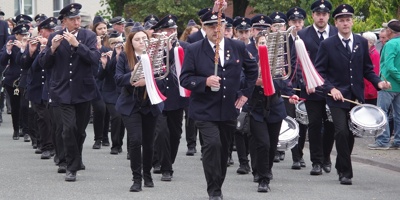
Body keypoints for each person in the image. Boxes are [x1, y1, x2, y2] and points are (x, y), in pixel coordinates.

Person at [180, 9, 258, 199]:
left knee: (223, 150)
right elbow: (184, 79)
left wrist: (245, 93)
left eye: (219, 25)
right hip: (205, 109)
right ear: (203, 27)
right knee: (212, 145)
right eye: (210, 26)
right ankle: (213, 190)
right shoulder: (194, 49)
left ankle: (218, 184)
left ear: (224, 26)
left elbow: (252, 69)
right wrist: (204, 82)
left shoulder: (237, 46)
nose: (216, 29)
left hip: (228, 108)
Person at [313, 4, 391, 185]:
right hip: (336, 97)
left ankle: (341, 165)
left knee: (349, 135)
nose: (345, 23)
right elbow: (319, 73)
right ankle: (346, 173)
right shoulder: (327, 44)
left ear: (352, 22)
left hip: (355, 96)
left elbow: (367, 69)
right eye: (341, 20)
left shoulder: (361, 42)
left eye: (348, 20)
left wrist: (378, 82)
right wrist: (331, 88)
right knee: (341, 131)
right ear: (336, 23)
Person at [39, 3, 101, 182]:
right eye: (73, 19)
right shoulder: (55, 37)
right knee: (68, 129)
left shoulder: (88, 36)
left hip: (83, 90)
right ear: (64, 21)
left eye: (78, 18)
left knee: (80, 131)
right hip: (63, 91)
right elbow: (44, 63)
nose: (77, 22)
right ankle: (71, 167)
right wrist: (52, 49)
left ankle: (76, 157)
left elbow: (94, 59)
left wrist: (77, 45)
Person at [114, 23, 165, 192]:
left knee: (149, 142)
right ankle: (136, 179)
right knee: (135, 140)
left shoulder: (156, 55)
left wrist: (149, 80)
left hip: (150, 104)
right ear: (131, 42)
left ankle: (147, 174)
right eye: (137, 39)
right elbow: (118, 79)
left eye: (144, 38)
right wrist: (133, 75)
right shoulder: (124, 57)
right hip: (131, 105)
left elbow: (165, 78)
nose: (142, 41)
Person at [247, 32, 299, 192]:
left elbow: (284, 82)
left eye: (267, 43)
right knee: (262, 143)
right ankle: (263, 179)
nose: (264, 45)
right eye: (261, 42)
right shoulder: (250, 62)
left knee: (271, 145)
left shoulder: (277, 63)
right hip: (256, 108)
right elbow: (241, 81)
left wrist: (291, 95)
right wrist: (254, 81)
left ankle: (266, 171)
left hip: (275, 108)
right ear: (256, 45)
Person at [291, 0, 337, 175]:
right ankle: (316, 162)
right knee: (315, 124)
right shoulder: (303, 34)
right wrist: (304, 82)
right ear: (313, 16)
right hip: (311, 87)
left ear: (328, 16)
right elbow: (297, 61)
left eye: (324, 14)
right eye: (318, 14)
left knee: (331, 124)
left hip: (332, 87)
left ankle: (326, 157)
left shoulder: (336, 32)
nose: (321, 17)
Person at [151, 14, 190, 182]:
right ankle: (166, 167)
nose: (172, 32)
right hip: (158, 96)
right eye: (168, 30)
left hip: (176, 97)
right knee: (160, 132)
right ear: (160, 32)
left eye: (174, 29)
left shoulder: (185, 48)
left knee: (175, 134)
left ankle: (167, 161)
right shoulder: (153, 49)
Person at [20, 16, 58, 159]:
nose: (52, 32)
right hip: (36, 87)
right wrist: (31, 51)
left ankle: (53, 145)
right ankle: (46, 146)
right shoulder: (34, 44)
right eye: (49, 30)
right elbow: (24, 64)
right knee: (42, 117)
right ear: (41, 32)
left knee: (52, 118)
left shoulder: (56, 44)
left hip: (51, 87)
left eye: (54, 29)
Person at [368, 19, 400, 150]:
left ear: (390, 31)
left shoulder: (391, 44)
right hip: (398, 86)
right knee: (398, 114)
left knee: (382, 112)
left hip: (388, 84)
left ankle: (383, 140)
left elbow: (389, 66)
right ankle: (398, 140)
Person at [98, 30, 125, 155]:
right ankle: (115, 144)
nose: (116, 46)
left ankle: (119, 143)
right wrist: (105, 64)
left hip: (123, 91)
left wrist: (120, 55)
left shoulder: (125, 55)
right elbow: (101, 75)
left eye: (119, 43)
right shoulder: (107, 55)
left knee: (122, 119)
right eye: (114, 43)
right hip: (110, 91)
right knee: (116, 116)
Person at [91, 15, 111, 149]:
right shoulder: (93, 44)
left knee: (108, 110)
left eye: (104, 28)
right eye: (100, 28)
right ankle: (97, 138)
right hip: (95, 81)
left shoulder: (110, 43)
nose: (103, 30)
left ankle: (104, 136)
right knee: (99, 109)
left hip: (108, 82)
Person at [362, 31, 380, 105]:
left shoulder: (374, 54)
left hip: (369, 92)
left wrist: (371, 91)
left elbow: (374, 72)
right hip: (364, 90)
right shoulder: (367, 53)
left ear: (370, 42)